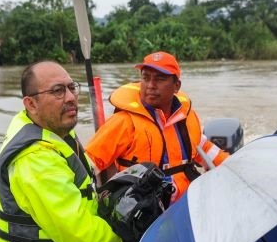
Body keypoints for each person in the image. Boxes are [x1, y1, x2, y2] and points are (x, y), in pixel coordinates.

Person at [0, 61, 131, 242]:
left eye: (71, 88)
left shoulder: (53, 128)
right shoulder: (36, 159)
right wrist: (127, 239)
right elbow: (77, 232)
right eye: (57, 91)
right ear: (31, 104)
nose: (70, 98)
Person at [85, 51, 229, 202]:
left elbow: (203, 147)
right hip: (143, 211)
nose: (151, 85)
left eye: (160, 79)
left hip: (187, 203)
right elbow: (88, 164)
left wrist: (232, 165)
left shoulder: (187, 117)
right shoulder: (124, 122)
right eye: (146, 78)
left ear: (176, 86)